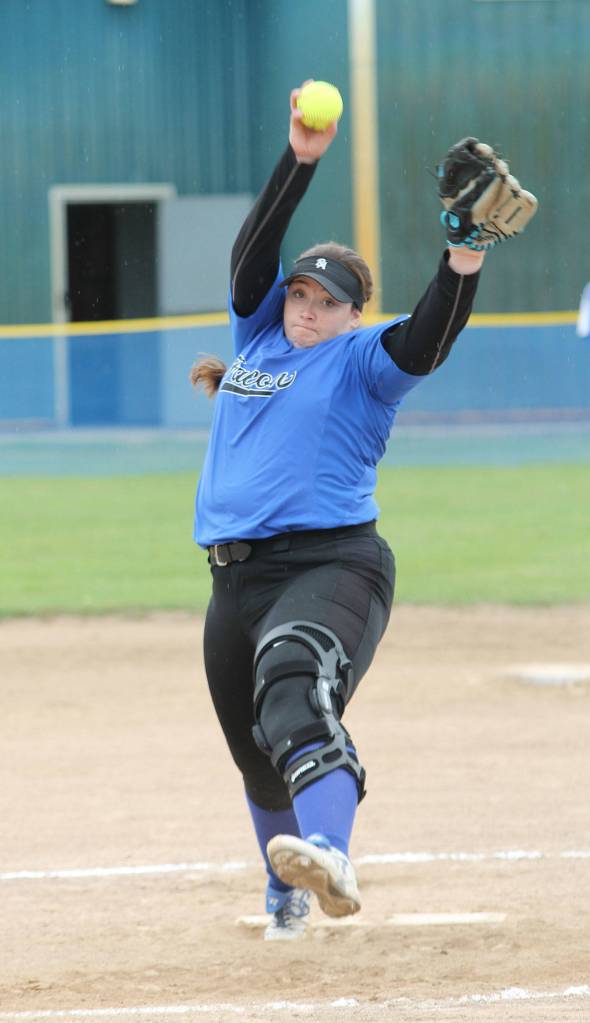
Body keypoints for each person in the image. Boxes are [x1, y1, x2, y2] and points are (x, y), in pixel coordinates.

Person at [190, 82, 488, 941]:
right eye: (300, 295)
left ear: (355, 312)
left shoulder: (364, 358)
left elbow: (427, 333)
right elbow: (252, 253)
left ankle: (328, 851)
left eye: (326, 298)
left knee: (294, 691)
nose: (308, 307)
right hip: (232, 580)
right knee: (254, 753)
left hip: (331, 563)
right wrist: (301, 159)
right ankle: (283, 886)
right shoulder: (257, 340)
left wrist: (460, 255)